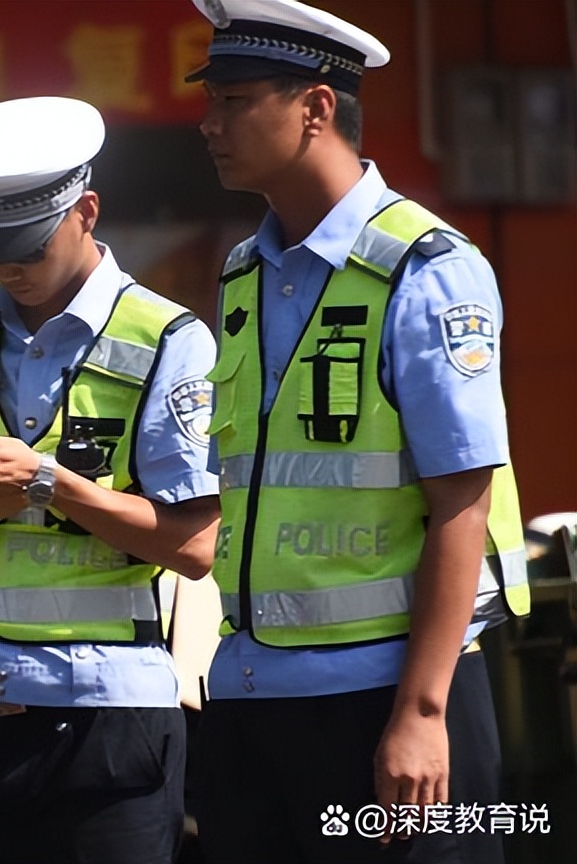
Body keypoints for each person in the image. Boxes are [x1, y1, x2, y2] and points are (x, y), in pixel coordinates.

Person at [184, 2, 532, 863]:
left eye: (233, 98)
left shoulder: (428, 267)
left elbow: (462, 496)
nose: (209, 122)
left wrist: (421, 712)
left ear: (316, 108)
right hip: (251, 694)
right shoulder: (242, 274)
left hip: (391, 702)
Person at [0, 96, 221, 864]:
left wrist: (46, 482)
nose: (8, 269)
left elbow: (195, 546)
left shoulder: (168, 338)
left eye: (26, 247)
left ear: (87, 212)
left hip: (109, 725)